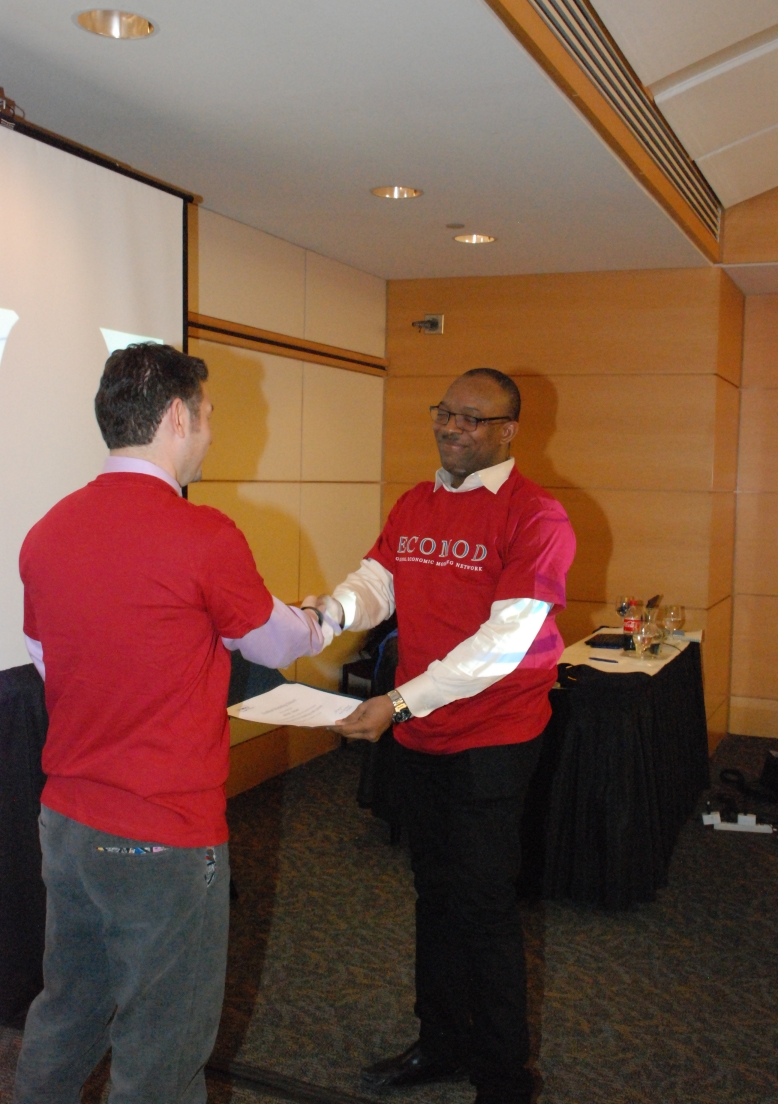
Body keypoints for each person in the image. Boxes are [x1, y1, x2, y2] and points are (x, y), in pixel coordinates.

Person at [14, 343, 326, 1104]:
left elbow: (49, 661)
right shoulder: (203, 534)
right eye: (209, 414)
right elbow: (276, 643)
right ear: (178, 417)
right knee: (164, 1049)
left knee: (66, 1011)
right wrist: (321, 619)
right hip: (163, 832)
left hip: (66, 821)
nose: (212, 432)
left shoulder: (47, 531)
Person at [312, 368, 576, 1104]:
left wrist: (398, 703)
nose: (453, 428)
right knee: (433, 893)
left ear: (509, 430)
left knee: (483, 907)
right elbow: (378, 580)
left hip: (493, 738)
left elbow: (503, 644)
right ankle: (441, 1042)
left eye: (472, 418)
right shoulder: (416, 501)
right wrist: (329, 614)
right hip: (421, 734)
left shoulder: (537, 515)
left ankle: (504, 1077)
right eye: (445, 413)